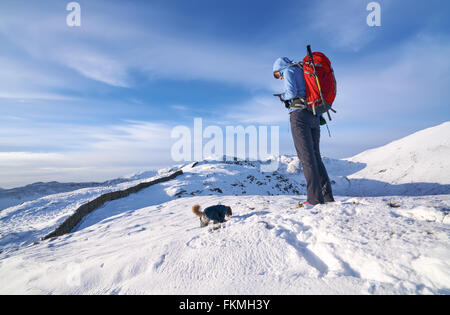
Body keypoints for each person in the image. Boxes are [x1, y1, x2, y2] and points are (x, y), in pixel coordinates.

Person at [273, 57, 334, 206]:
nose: (279, 77)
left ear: (280, 68)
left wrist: (283, 96)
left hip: (299, 116)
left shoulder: (288, 71)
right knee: (316, 156)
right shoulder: (303, 70)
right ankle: (326, 196)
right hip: (314, 115)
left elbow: (292, 93)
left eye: (277, 74)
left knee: (306, 157)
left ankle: (314, 199)